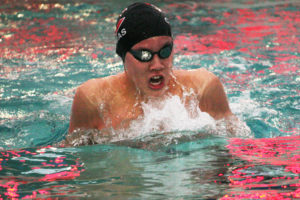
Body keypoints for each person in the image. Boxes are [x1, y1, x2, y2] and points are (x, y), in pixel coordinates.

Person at [65, 2, 243, 146]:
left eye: (165, 51)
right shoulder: (94, 99)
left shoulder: (203, 88)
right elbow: (76, 160)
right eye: (144, 55)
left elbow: (237, 144)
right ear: (123, 56)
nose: (157, 65)